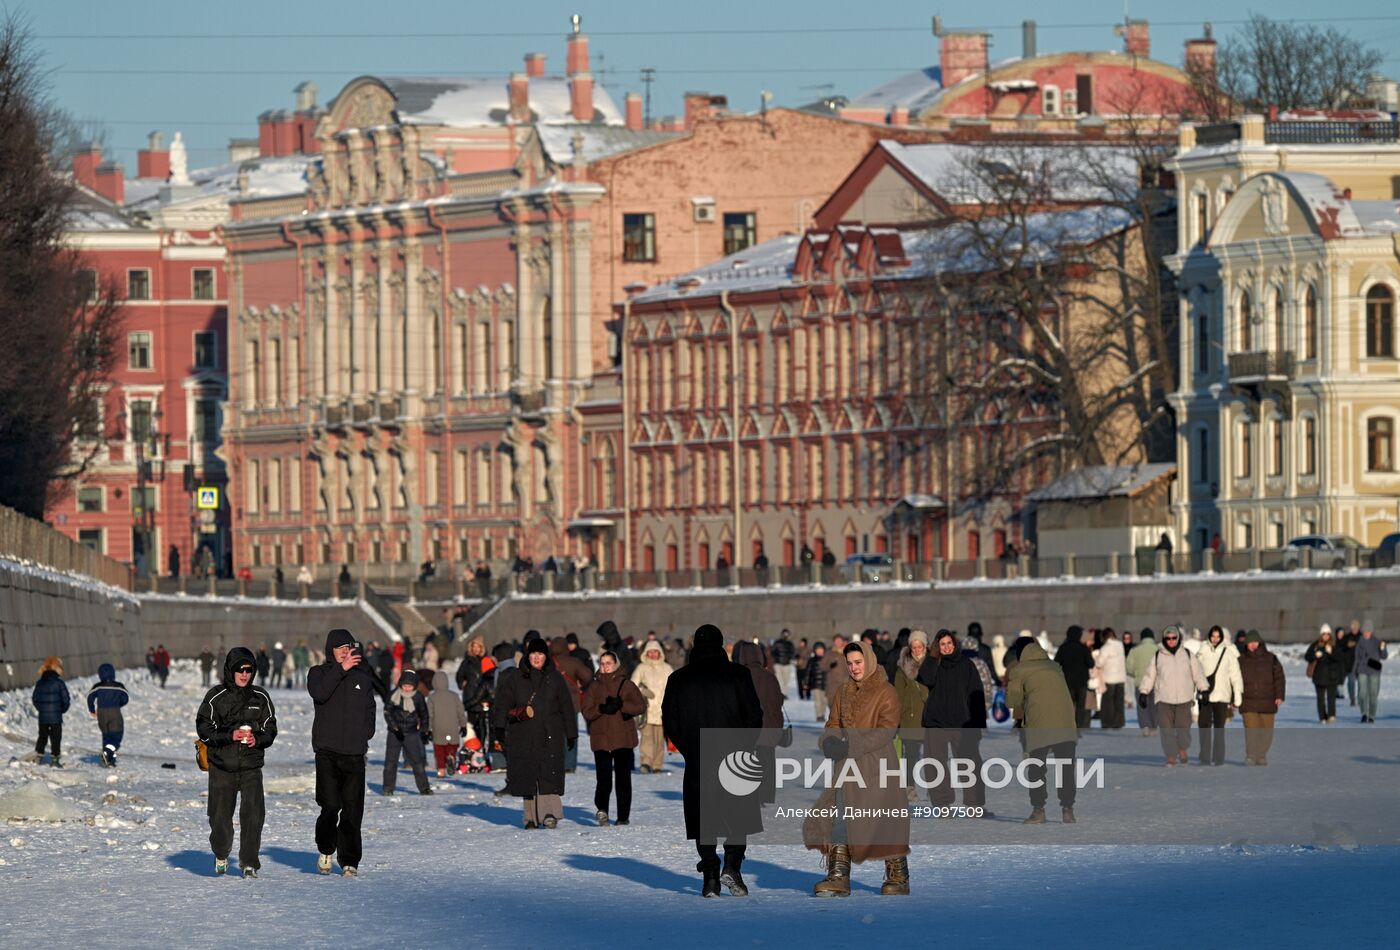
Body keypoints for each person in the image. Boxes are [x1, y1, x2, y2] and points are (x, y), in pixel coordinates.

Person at [662, 623, 764, 898]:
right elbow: (754, 715)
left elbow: (670, 721)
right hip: (735, 755)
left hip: (698, 757)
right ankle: (732, 866)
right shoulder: (738, 675)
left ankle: (710, 876)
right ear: (720, 645)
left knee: (702, 818)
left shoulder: (679, 679)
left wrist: (689, 748)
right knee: (738, 816)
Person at [805, 640, 910, 897]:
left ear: (869, 661)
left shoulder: (886, 691)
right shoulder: (842, 692)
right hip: (847, 768)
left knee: (887, 821)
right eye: (850, 663)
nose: (854, 668)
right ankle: (838, 875)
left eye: (858, 662)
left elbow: (886, 730)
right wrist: (829, 741)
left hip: (878, 766)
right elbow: (832, 723)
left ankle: (898, 875)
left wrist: (850, 745)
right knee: (839, 818)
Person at [197, 647, 277, 877]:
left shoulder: (260, 697)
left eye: (249, 670)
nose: (244, 674)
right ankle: (221, 853)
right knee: (219, 818)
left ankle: (249, 862)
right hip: (222, 766)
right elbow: (203, 728)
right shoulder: (215, 696)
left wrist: (257, 738)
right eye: (239, 670)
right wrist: (230, 734)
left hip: (251, 766)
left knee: (254, 815)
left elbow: (270, 728)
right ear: (230, 671)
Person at [308, 629, 380, 877]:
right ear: (331, 650)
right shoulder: (318, 673)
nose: (345, 653)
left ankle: (349, 860)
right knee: (330, 806)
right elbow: (320, 694)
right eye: (340, 649)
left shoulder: (362, 677)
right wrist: (341, 668)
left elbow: (371, 707)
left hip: (354, 753)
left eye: (348, 648)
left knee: (352, 810)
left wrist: (366, 732)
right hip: (327, 752)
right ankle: (326, 849)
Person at [494, 637, 576, 829]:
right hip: (524, 733)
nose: (536, 657)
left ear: (546, 656)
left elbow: (566, 707)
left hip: (550, 733)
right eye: (533, 653)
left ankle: (550, 814)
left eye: (540, 654)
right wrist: (499, 728)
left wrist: (571, 732)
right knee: (528, 775)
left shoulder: (555, 678)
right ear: (527, 655)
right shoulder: (515, 678)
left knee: (549, 773)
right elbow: (502, 704)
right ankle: (530, 817)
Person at [1004, 638, 1079, 823]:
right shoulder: (1055, 666)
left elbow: (1012, 701)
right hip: (1065, 722)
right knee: (1066, 767)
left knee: (1037, 768)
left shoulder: (1019, 670)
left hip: (1039, 723)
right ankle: (1068, 809)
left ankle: (1039, 811)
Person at [917, 630, 988, 811]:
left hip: (962, 722)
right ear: (937, 647)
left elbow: (976, 695)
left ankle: (975, 803)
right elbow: (925, 678)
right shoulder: (934, 664)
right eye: (942, 644)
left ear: (955, 645)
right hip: (936, 722)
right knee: (935, 764)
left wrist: (978, 723)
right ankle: (942, 804)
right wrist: (933, 657)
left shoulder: (966, 665)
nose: (946, 647)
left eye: (949, 643)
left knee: (969, 763)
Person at [582, 651, 647, 826]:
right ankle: (602, 809)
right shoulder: (594, 687)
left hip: (622, 739)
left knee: (623, 779)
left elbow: (640, 706)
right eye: (602, 663)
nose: (605, 666)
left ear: (616, 664)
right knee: (603, 779)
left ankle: (623, 816)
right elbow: (586, 711)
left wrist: (622, 705)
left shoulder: (626, 684)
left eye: (608, 663)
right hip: (601, 739)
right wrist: (601, 708)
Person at [1138, 625, 1207, 767]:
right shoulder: (1158, 656)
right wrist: (1144, 692)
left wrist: (1204, 689)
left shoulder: (1187, 654)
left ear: (1178, 638)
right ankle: (1171, 755)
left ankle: (1182, 749)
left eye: (1173, 638)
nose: (1171, 641)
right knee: (1166, 730)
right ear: (1164, 639)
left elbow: (1198, 673)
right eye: (1168, 638)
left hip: (1184, 698)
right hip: (1163, 699)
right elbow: (1150, 675)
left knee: (1183, 729)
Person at [732, 641, 786, 805]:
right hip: (769, 726)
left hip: (747, 726)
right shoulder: (769, 676)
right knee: (766, 761)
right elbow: (778, 700)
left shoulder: (739, 676)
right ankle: (765, 795)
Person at [1196, 625, 1243, 766]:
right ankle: (1204, 756)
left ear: (1222, 637)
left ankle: (1218, 757)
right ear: (1209, 636)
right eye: (1213, 636)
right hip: (1205, 696)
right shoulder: (1202, 652)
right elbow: (1194, 673)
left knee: (1219, 727)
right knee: (1203, 725)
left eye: (1218, 636)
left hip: (1222, 695)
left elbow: (1235, 675)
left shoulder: (1228, 653)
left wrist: (1237, 694)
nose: (1215, 639)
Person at [1237, 630, 1285, 765]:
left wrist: (1279, 696)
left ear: (1259, 642)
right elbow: (1233, 680)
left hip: (1267, 701)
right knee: (1251, 730)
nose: (1252, 645)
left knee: (1267, 732)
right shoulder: (1240, 660)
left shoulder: (1271, 658)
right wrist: (1234, 699)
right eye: (1249, 643)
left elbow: (1279, 678)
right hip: (1247, 701)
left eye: (1255, 642)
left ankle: (1261, 755)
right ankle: (1251, 756)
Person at [892, 630, 929, 802]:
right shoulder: (902, 668)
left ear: (925, 646)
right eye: (913, 646)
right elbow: (897, 696)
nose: (916, 650)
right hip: (910, 718)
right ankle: (909, 787)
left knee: (934, 756)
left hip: (931, 717)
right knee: (912, 756)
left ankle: (934, 788)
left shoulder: (934, 664)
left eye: (919, 646)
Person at [382, 670, 432, 796]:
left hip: (411, 733)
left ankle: (424, 788)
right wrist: (394, 727)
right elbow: (387, 712)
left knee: (417, 762)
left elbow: (424, 715)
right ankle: (388, 788)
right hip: (395, 734)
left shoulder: (418, 697)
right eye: (404, 686)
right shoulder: (394, 695)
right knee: (390, 762)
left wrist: (424, 731)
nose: (407, 688)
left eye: (410, 686)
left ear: (414, 686)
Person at [550, 636, 592, 773]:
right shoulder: (574, 662)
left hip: (552, 703)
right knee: (570, 734)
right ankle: (569, 764)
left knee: (554, 734)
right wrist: (581, 685)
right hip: (571, 703)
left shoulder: (548, 663)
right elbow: (588, 676)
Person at [631, 640, 673, 774]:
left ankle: (657, 764)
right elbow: (632, 686)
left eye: (656, 651)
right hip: (647, 710)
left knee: (659, 740)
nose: (653, 654)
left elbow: (674, 687)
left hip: (662, 710)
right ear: (646, 653)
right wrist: (642, 690)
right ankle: (645, 762)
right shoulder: (641, 668)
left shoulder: (667, 668)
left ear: (660, 652)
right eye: (651, 652)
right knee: (647, 738)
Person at [426, 670, 469, 778]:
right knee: (451, 747)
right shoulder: (454, 696)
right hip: (452, 728)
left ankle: (441, 770)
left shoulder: (432, 697)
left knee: (439, 750)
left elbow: (429, 715)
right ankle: (451, 757)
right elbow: (460, 711)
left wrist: (428, 729)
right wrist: (463, 725)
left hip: (438, 729)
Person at [87, 663, 130, 767]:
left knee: (106, 735)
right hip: (114, 711)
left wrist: (92, 710)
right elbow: (126, 698)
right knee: (116, 736)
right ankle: (107, 752)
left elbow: (90, 697)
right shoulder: (118, 686)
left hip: (101, 712)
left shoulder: (97, 686)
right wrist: (119, 704)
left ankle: (109, 760)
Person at [1053, 625, 1095, 731]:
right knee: (1081, 707)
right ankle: (1079, 728)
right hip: (1082, 682)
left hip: (1067, 682)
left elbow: (1055, 663)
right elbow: (1091, 664)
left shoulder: (1063, 648)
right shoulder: (1083, 648)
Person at [31, 657, 70, 767]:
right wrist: (61, 710)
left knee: (42, 736)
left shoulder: (39, 683)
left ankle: (39, 755)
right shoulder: (59, 683)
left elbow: (35, 698)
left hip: (43, 716)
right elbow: (66, 699)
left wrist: (41, 709)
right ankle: (55, 760)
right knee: (56, 737)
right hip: (56, 717)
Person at [1304, 627, 1344, 723]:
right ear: (1321, 635)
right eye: (1324, 634)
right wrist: (1315, 655)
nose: (1326, 636)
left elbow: (1340, 658)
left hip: (1332, 675)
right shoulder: (1315, 645)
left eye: (1327, 634)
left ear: (1330, 635)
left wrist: (1331, 652)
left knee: (1331, 698)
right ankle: (1322, 717)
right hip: (1319, 676)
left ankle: (1331, 716)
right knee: (1320, 699)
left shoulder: (1334, 645)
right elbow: (1307, 656)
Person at [1125, 629, 1158, 736]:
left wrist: (1136, 673)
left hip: (1140, 682)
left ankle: (1145, 727)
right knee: (1154, 705)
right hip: (1155, 682)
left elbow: (1129, 667)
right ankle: (1154, 727)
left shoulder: (1135, 650)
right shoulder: (1158, 650)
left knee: (1142, 706)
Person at [1353, 625, 1388, 723]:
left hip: (1374, 671)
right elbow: (1356, 658)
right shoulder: (1359, 642)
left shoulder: (1377, 642)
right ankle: (1364, 713)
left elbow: (1384, 656)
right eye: (1364, 631)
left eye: (1368, 631)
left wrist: (1383, 648)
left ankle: (1372, 716)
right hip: (1362, 670)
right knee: (1362, 693)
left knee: (1373, 694)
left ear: (1371, 632)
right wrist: (1354, 671)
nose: (1366, 633)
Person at [1094, 629, 1126, 730]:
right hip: (1120, 678)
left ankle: (1107, 723)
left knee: (1107, 703)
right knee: (1119, 703)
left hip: (1109, 679)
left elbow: (1099, 663)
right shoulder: (1120, 645)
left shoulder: (1105, 648)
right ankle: (1119, 723)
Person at [805, 642, 829, 721]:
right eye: (817, 650)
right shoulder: (812, 660)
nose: (819, 651)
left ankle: (822, 714)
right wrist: (806, 683)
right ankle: (819, 715)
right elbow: (808, 672)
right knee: (818, 701)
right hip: (815, 684)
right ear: (815, 651)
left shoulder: (827, 659)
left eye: (821, 650)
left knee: (824, 701)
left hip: (826, 684)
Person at [770, 629, 797, 697]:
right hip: (778, 664)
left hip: (787, 664)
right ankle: (779, 693)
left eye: (787, 634)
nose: (785, 635)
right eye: (784, 634)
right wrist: (776, 658)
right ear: (782, 634)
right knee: (779, 680)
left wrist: (790, 658)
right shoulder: (777, 643)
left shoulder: (790, 644)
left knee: (786, 680)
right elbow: (773, 651)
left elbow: (793, 653)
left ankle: (784, 694)